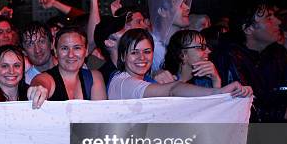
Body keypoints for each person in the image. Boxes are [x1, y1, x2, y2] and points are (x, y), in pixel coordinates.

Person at [107, 29, 252, 100]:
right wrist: (220, 92)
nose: (142, 57)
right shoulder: (122, 82)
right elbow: (172, 90)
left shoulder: (148, 80)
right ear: (122, 56)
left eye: (147, 51)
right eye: (134, 52)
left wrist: (217, 81)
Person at [31, 26, 106, 101]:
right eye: (64, 48)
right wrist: (38, 89)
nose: (70, 55)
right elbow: (40, 82)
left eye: (77, 48)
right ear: (55, 52)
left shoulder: (94, 77)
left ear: (86, 51)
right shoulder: (47, 78)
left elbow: (100, 111)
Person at [147, 0, 192, 72]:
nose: (187, 8)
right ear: (163, 12)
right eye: (180, 4)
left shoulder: (186, 41)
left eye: (185, 3)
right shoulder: (151, 47)